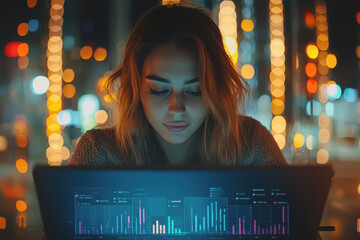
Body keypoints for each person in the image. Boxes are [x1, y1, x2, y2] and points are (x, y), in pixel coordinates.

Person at [43, 2, 313, 240]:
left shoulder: (251, 144)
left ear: (215, 89)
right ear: (136, 88)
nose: (176, 108)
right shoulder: (99, 153)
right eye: (159, 90)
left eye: (194, 90)